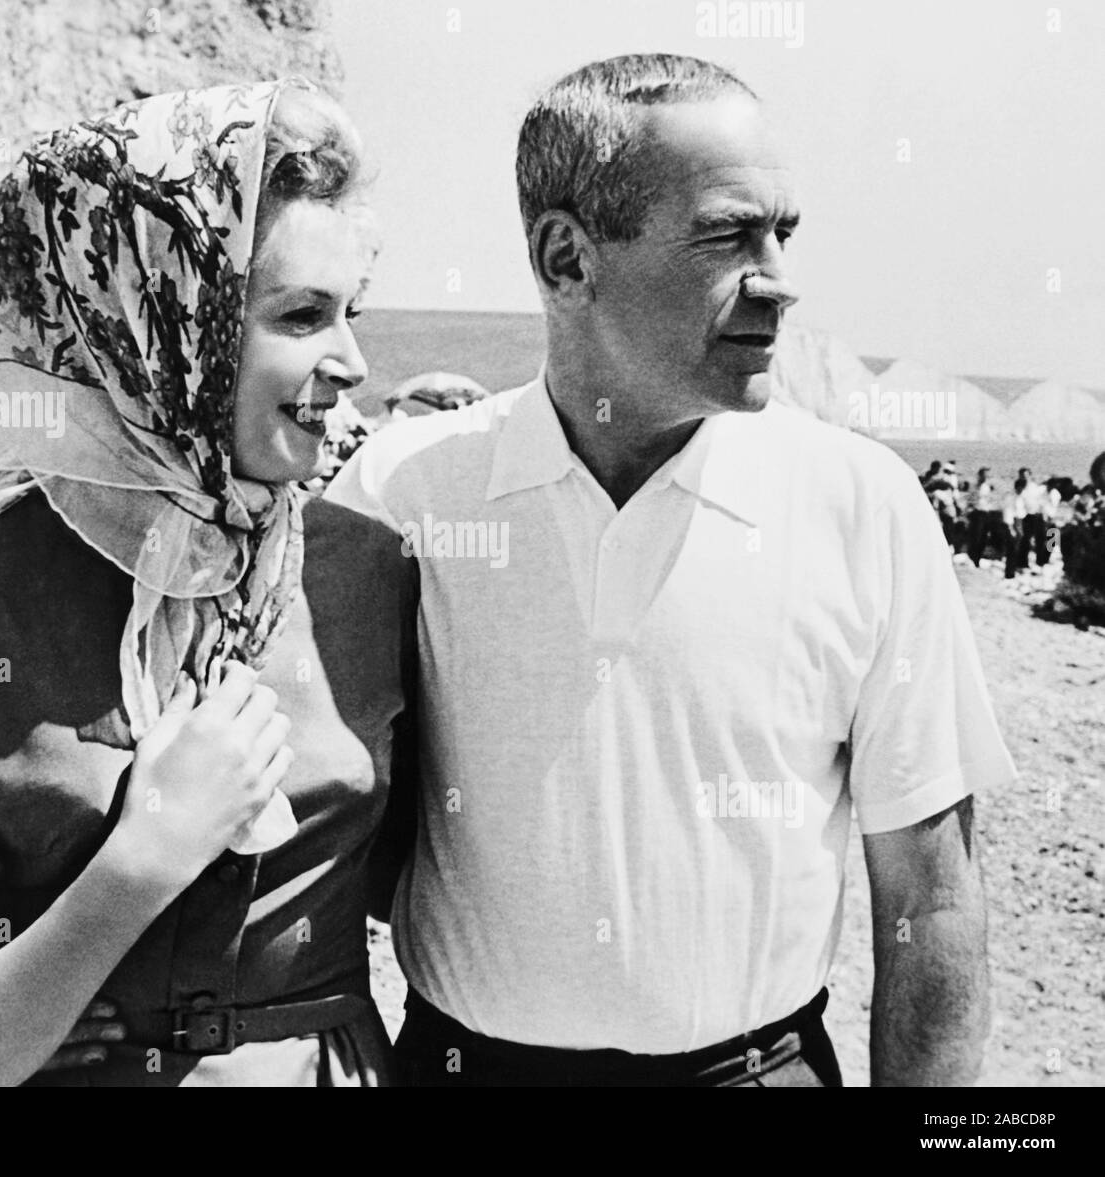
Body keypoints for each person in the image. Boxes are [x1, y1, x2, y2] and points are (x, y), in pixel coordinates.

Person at [328, 53, 1015, 1087]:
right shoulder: (400, 497)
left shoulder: (860, 507)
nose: (779, 278)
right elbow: (339, 842)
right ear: (565, 257)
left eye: (784, 232)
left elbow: (930, 895)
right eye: (728, 234)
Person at [0, 81, 418, 1086]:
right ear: (158, 325)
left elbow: (447, 891)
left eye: (351, 312)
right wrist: (137, 865)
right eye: (302, 314)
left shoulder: (370, 570)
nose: (353, 360)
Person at [966, 466, 1001, 567]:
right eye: (984, 475)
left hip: (986, 513)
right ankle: (973, 558)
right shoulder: (974, 486)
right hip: (977, 513)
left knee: (983, 537)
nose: (986, 477)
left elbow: (991, 499)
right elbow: (970, 499)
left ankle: (978, 559)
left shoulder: (987, 487)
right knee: (975, 537)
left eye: (987, 475)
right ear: (980, 475)